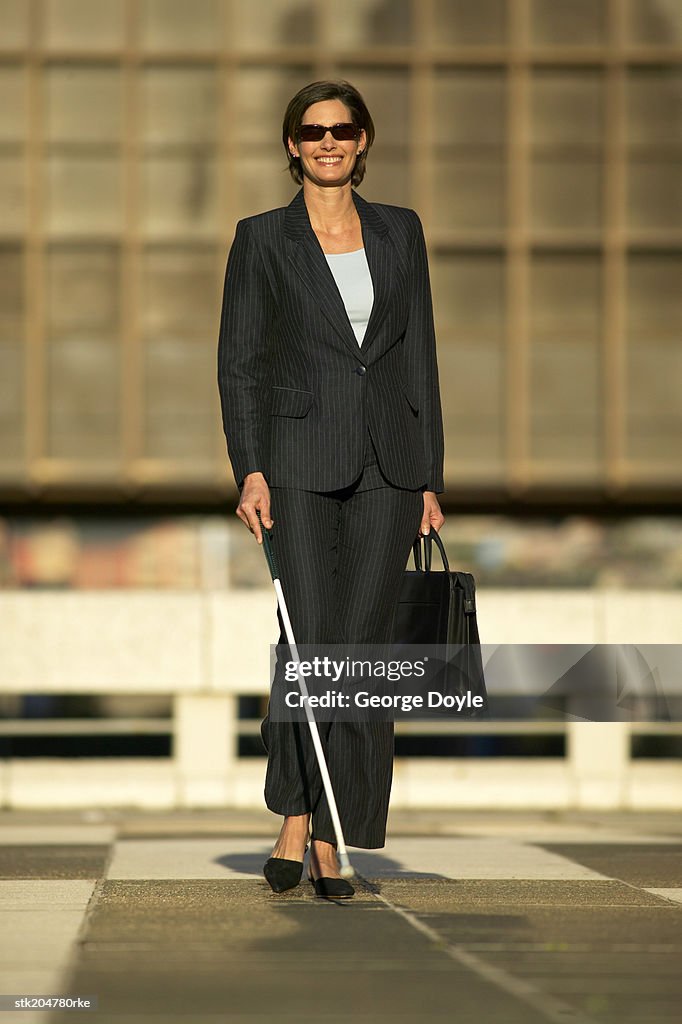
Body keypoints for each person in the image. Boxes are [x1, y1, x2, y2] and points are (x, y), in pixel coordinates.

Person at [217, 80, 444, 898]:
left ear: (363, 141)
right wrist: (249, 466)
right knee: (309, 644)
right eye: (313, 131)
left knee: (363, 651)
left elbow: (417, 355)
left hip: (389, 465)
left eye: (342, 130)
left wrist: (429, 477)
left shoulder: (400, 231)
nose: (327, 142)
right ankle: (296, 819)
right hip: (297, 462)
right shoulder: (262, 239)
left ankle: (334, 830)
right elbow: (240, 363)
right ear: (291, 145)